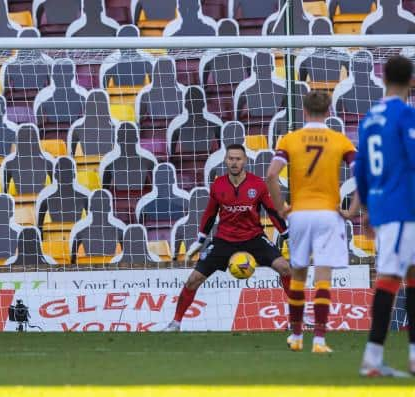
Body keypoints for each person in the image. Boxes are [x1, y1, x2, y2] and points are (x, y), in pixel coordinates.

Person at [164, 144, 291, 332]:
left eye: (238, 159)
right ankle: (175, 323)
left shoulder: (258, 185)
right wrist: (200, 240)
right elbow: (209, 213)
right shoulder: (218, 185)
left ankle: (296, 319)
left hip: (253, 238)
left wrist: (287, 236)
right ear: (225, 160)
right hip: (224, 240)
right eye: (231, 158)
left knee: (286, 269)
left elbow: (273, 212)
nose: (234, 162)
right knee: (193, 279)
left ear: (245, 161)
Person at [267, 91, 356, 354]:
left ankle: (296, 336)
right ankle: (318, 340)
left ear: (303, 111)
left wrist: (281, 207)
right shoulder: (340, 140)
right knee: (322, 276)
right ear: (330, 111)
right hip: (329, 214)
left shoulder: (290, 139)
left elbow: (271, 175)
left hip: (300, 214)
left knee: (298, 274)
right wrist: (351, 209)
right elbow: (361, 175)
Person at [356, 56, 415, 377]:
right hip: (403, 208)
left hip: (385, 207)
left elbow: (360, 167)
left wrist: (366, 208)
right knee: (391, 280)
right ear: (411, 81)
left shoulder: (369, 118)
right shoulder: (405, 114)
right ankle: (372, 358)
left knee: (410, 280)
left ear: (382, 79)